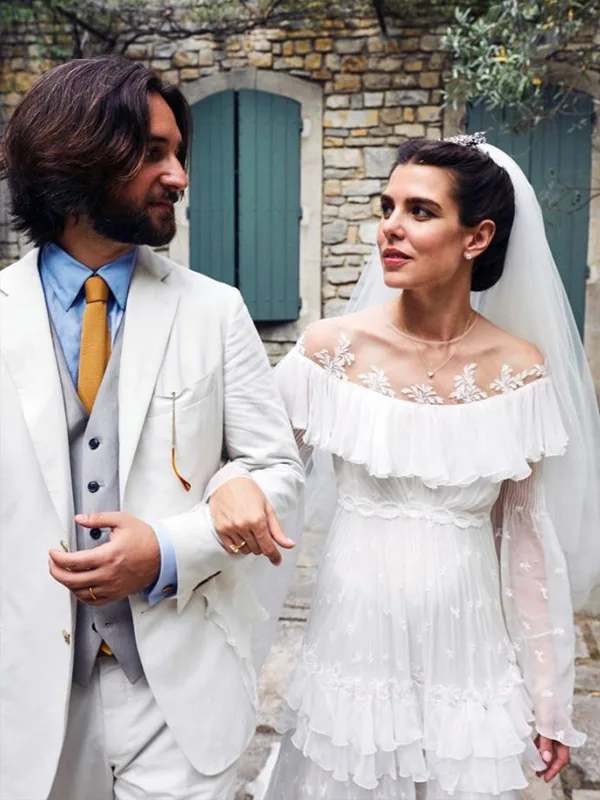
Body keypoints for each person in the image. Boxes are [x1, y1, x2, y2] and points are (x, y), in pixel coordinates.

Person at [0, 56, 303, 800]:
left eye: (179, 153)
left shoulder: (215, 311)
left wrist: (169, 548)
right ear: (77, 156)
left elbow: (279, 475)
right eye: (152, 153)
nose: (180, 176)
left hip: (178, 694)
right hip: (25, 692)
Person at [264, 135, 600, 799]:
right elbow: (256, 470)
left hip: (469, 657)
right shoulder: (328, 351)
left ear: (477, 237)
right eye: (387, 207)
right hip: (356, 651)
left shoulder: (520, 371)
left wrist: (548, 695)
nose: (390, 227)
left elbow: (526, 543)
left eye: (420, 211)